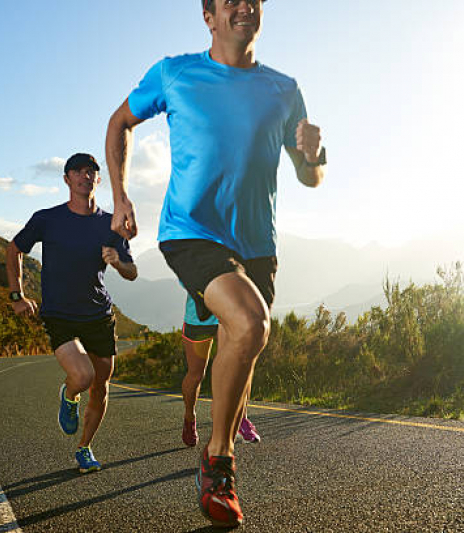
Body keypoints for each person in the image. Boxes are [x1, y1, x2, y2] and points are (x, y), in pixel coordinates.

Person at [105, 0, 325, 527]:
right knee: (250, 322)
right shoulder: (175, 72)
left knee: (242, 341)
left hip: (257, 246)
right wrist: (120, 196)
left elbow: (309, 177)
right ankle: (220, 462)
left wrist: (315, 154)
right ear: (209, 15)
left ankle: (216, 453)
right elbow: (120, 122)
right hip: (191, 232)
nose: (244, 6)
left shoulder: (284, 89)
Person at [6, 152, 137, 474]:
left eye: (90, 171)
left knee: (101, 386)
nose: (84, 176)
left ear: (98, 179)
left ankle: (84, 448)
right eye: (77, 171)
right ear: (66, 179)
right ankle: (68, 393)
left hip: (98, 315)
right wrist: (16, 295)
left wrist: (118, 263)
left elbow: (132, 271)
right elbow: (14, 250)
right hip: (59, 314)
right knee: (83, 376)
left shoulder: (111, 225)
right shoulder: (47, 219)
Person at [180, 293, 261, 448]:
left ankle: (241, 418)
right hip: (199, 317)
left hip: (231, 315)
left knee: (240, 365)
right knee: (196, 375)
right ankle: (189, 417)